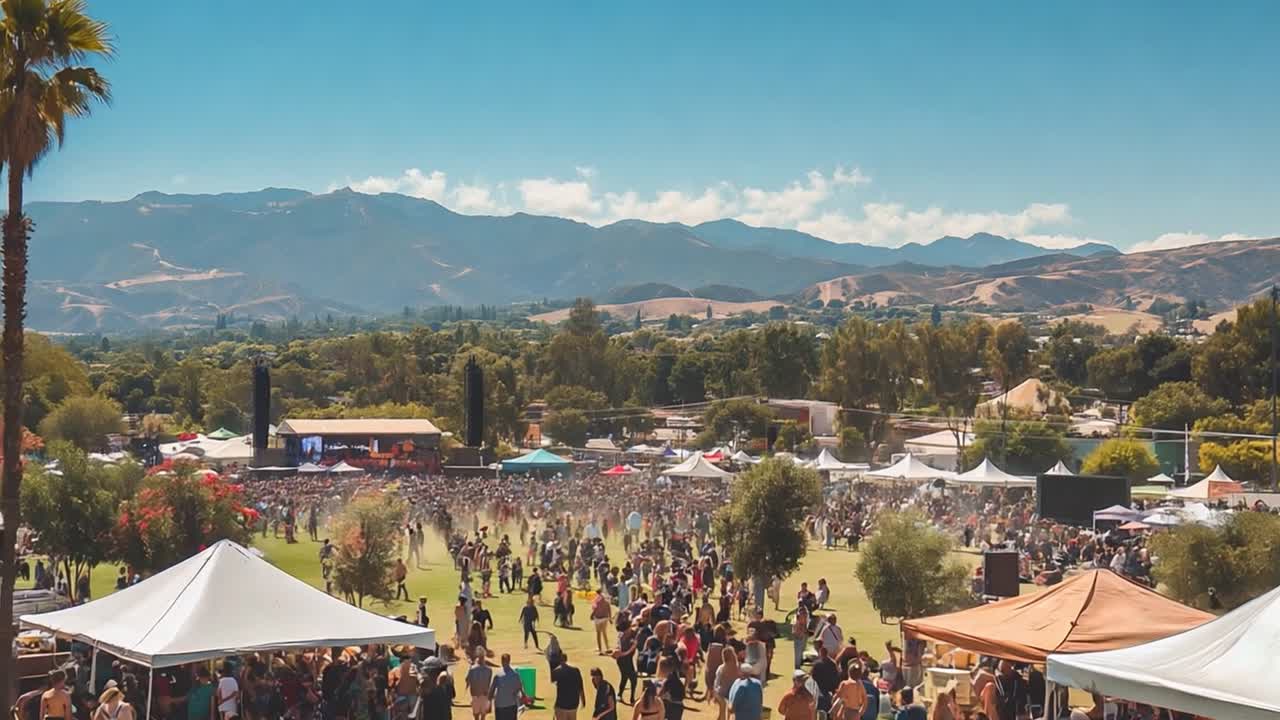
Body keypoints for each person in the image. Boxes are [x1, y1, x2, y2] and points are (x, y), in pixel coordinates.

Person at [489, 654, 526, 720]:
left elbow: (491, 691)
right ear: (509, 661)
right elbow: (520, 688)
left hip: (500, 706)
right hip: (511, 705)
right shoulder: (515, 675)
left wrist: (489, 702)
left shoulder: (498, 675)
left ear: (502, 661)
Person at [551, 653, 586, 720]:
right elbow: (580, 687)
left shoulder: (556, 672)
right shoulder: (576, 671)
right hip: (573, 704)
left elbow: (552, 680)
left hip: (561, 705)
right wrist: (583, 701)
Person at [466, 650, 495, 720]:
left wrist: (470, 667)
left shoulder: (472, 669)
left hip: (475, 695)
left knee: (476, 716)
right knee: (483, 716)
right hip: (484, 695)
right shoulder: (489, 670)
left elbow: (467, 680)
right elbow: (489, 683)